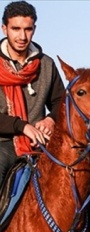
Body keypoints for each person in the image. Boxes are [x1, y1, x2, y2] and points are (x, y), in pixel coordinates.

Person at [0, 0, 64, 186]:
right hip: (3, 142)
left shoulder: (47, 64)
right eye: (16, 29)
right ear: (4, 29)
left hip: (39, 144)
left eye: (28, 29)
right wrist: (22, 126)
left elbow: (61, 101)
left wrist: (51, 119)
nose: (22, 36)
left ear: (34, 29)